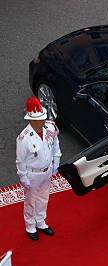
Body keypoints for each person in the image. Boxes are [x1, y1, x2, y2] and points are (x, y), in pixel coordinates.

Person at [16, 96, 61, 241]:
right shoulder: (23, 138)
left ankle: (41, 222)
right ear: (31, 120)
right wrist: (23, 178)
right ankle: (30, 226)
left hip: (47, 171)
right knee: (30, 201)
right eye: (40, 118)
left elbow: (55, 147)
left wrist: (56, 163)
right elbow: (20, 161)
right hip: (32, 175)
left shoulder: (51, 127)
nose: (43, 120)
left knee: (43, 198)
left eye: (43, 117)